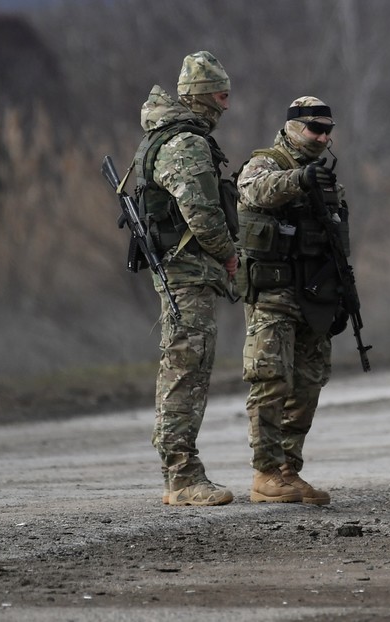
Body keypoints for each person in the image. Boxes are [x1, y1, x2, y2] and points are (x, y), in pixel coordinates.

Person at [132, 51, 239, 506]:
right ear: (202, 96)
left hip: (184, 269)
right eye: (221, 95)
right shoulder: (186, 143)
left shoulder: (166, 136)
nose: (226, 105)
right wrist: (229, 254)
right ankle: (181, 476)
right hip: (187, 271)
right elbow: (202, 213)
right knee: (185, 370)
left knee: (185, 366)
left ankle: (180, 472)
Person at [236, 96, 349, 505]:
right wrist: (299, 180)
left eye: (327, 131)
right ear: (292, 127)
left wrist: (343, 295)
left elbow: (337, 241)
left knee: (308, 382)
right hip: (273, 291)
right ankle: (265, 472)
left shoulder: (326, 180)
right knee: (270, 379)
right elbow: (255, 192)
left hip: (314, 294)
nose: (321, 138)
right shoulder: (265, 164)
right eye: (314, 129)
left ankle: (287, 470)